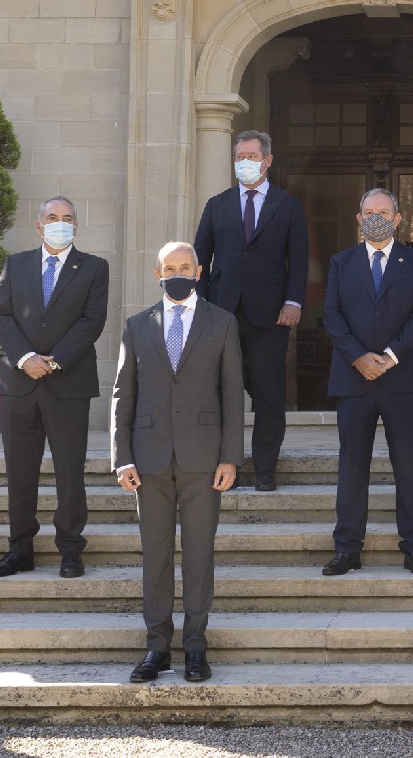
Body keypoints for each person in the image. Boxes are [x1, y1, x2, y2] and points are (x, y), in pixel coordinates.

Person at [112, 241, 244, 683]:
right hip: (148, 459)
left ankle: (195, 648)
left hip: (203, 459)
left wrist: (230, 457)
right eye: (169, 268)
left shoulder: (222, 323)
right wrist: (122, 458)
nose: (177, 274)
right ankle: (156, 648)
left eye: (185, 267)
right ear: (157, 274)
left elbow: (232, 394)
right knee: (156, 556)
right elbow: (123, 395)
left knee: (199, 555)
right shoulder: (137, 326)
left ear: (199, 272)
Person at [0, 196, 110, 579]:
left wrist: (53, 361)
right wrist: (26, 359)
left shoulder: (94, 267)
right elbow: (2, 314)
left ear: (77, 226)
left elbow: (92, 321)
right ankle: (20, 551)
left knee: (69, 472)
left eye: (68, 218)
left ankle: (70, 549)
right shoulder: (15, 264)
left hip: (68, 384)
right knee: (19, 472)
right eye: (53, 217)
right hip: (18, 384)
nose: (61, 223)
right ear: (39, 225)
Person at [320, 188, 413, 577]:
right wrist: (359, 358)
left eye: (383, 212)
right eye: (369, 212)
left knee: (408, 466)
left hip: (402, 379)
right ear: (358, 218)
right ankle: (347, 548)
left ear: (397, 219)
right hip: (354, 380)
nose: (376, 218)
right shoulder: (341, 262)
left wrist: (389, 356)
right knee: (352, 467)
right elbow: (332, 314)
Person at [194, 129, 308, 491]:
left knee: (268, 393)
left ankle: (264, 469)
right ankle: (223, 466)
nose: (245, 162)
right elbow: (200, 259)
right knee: (221, 392)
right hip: (221, 313)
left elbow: (299, 258)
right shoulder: (217, 204)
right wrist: (199, 306)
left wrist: (293, 301)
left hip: (270, 314)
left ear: (267, 160)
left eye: (252, 156)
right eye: (240, 157)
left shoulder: (287, 205)